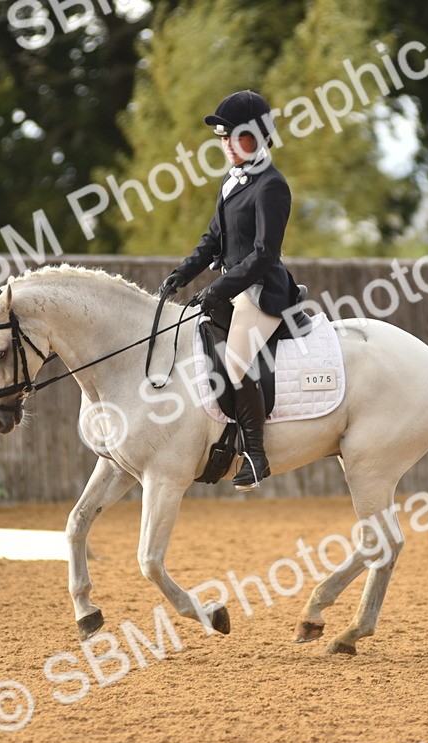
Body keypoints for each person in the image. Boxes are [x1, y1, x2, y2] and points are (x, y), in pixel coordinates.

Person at [158, 90, 303, 491]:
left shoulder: (272, 186)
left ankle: (256, 455)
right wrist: (182, 274)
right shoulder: (232, 181)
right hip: (234, 288)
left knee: (236, 362)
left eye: (237, 137)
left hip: (261, 292)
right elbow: (213, 240)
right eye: (223, 138)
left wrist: (219, 288)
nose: (227, 145)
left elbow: (264, 253)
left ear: (260, 137)